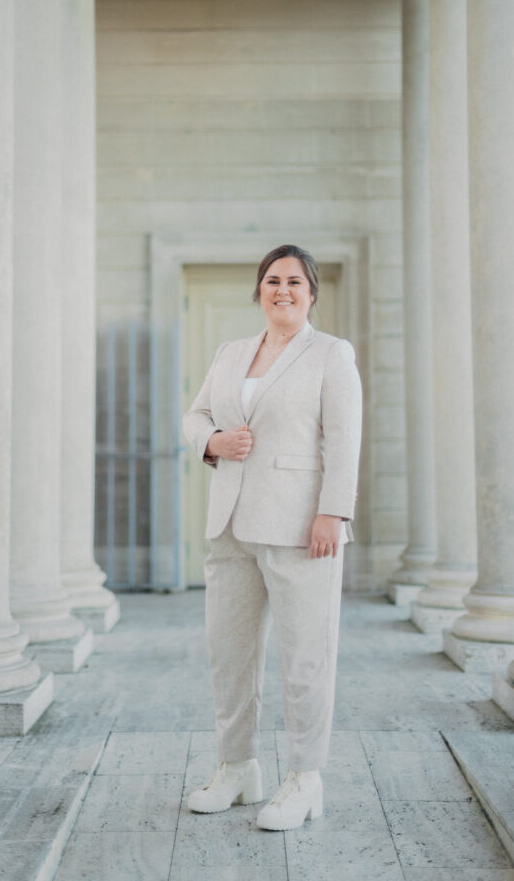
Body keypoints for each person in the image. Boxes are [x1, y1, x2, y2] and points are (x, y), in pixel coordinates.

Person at [182, 243, 362, 831]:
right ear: (259, 290)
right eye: (271, 280)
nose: (282, 289)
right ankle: (238, 768)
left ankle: (305, 779)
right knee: (228, 654)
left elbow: (344, 439)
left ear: (312, 293)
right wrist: (212, 442)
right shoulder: (231, 352)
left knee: (306, 658)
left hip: (299, 526)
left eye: (294, 281)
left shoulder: (331, 354)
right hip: (230, 525)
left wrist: (333, 512)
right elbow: (196, 415)